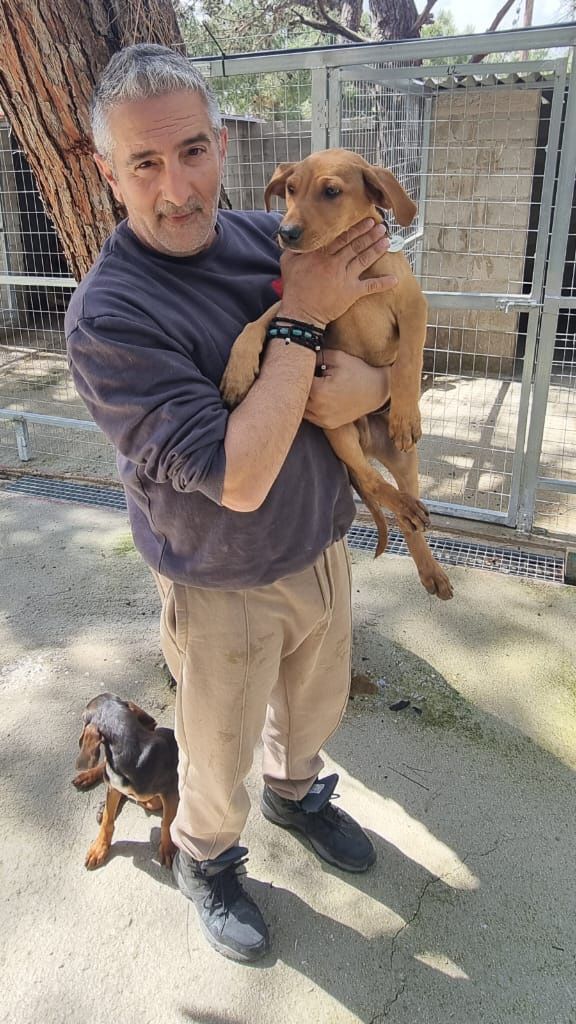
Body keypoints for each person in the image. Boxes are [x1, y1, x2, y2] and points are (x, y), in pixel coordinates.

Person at [66, 43, 397, 963]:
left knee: (314, 709)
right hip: (220, 581)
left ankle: (296, 794)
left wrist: (372, 387)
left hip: (320, 545)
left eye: (192, 152)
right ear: (108, 172)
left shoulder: (273, 239)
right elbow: (238, 478)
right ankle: (207, 859)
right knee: (214, 753)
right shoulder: (111, 317)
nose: (176, 188)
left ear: (221, 144)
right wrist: (304, 318)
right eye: (144, 162)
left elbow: (388, 334)